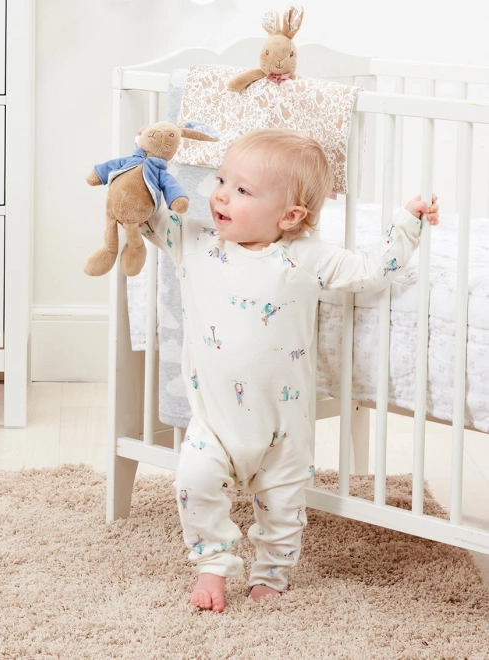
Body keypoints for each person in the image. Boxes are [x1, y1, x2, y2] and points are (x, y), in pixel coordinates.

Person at [141, 128, 439, 612]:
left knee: (284, 506)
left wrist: (409, 222)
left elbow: (369, 269)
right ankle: (213, 563)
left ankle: (272, 574)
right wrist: (137, 180)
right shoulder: (195, 242)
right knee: (192, 481)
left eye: (242, 190)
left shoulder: (304, 257)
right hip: (215, 421)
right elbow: (146, 218)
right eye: (221, 180)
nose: (220, 194)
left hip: (283, 426)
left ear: (291, 215)